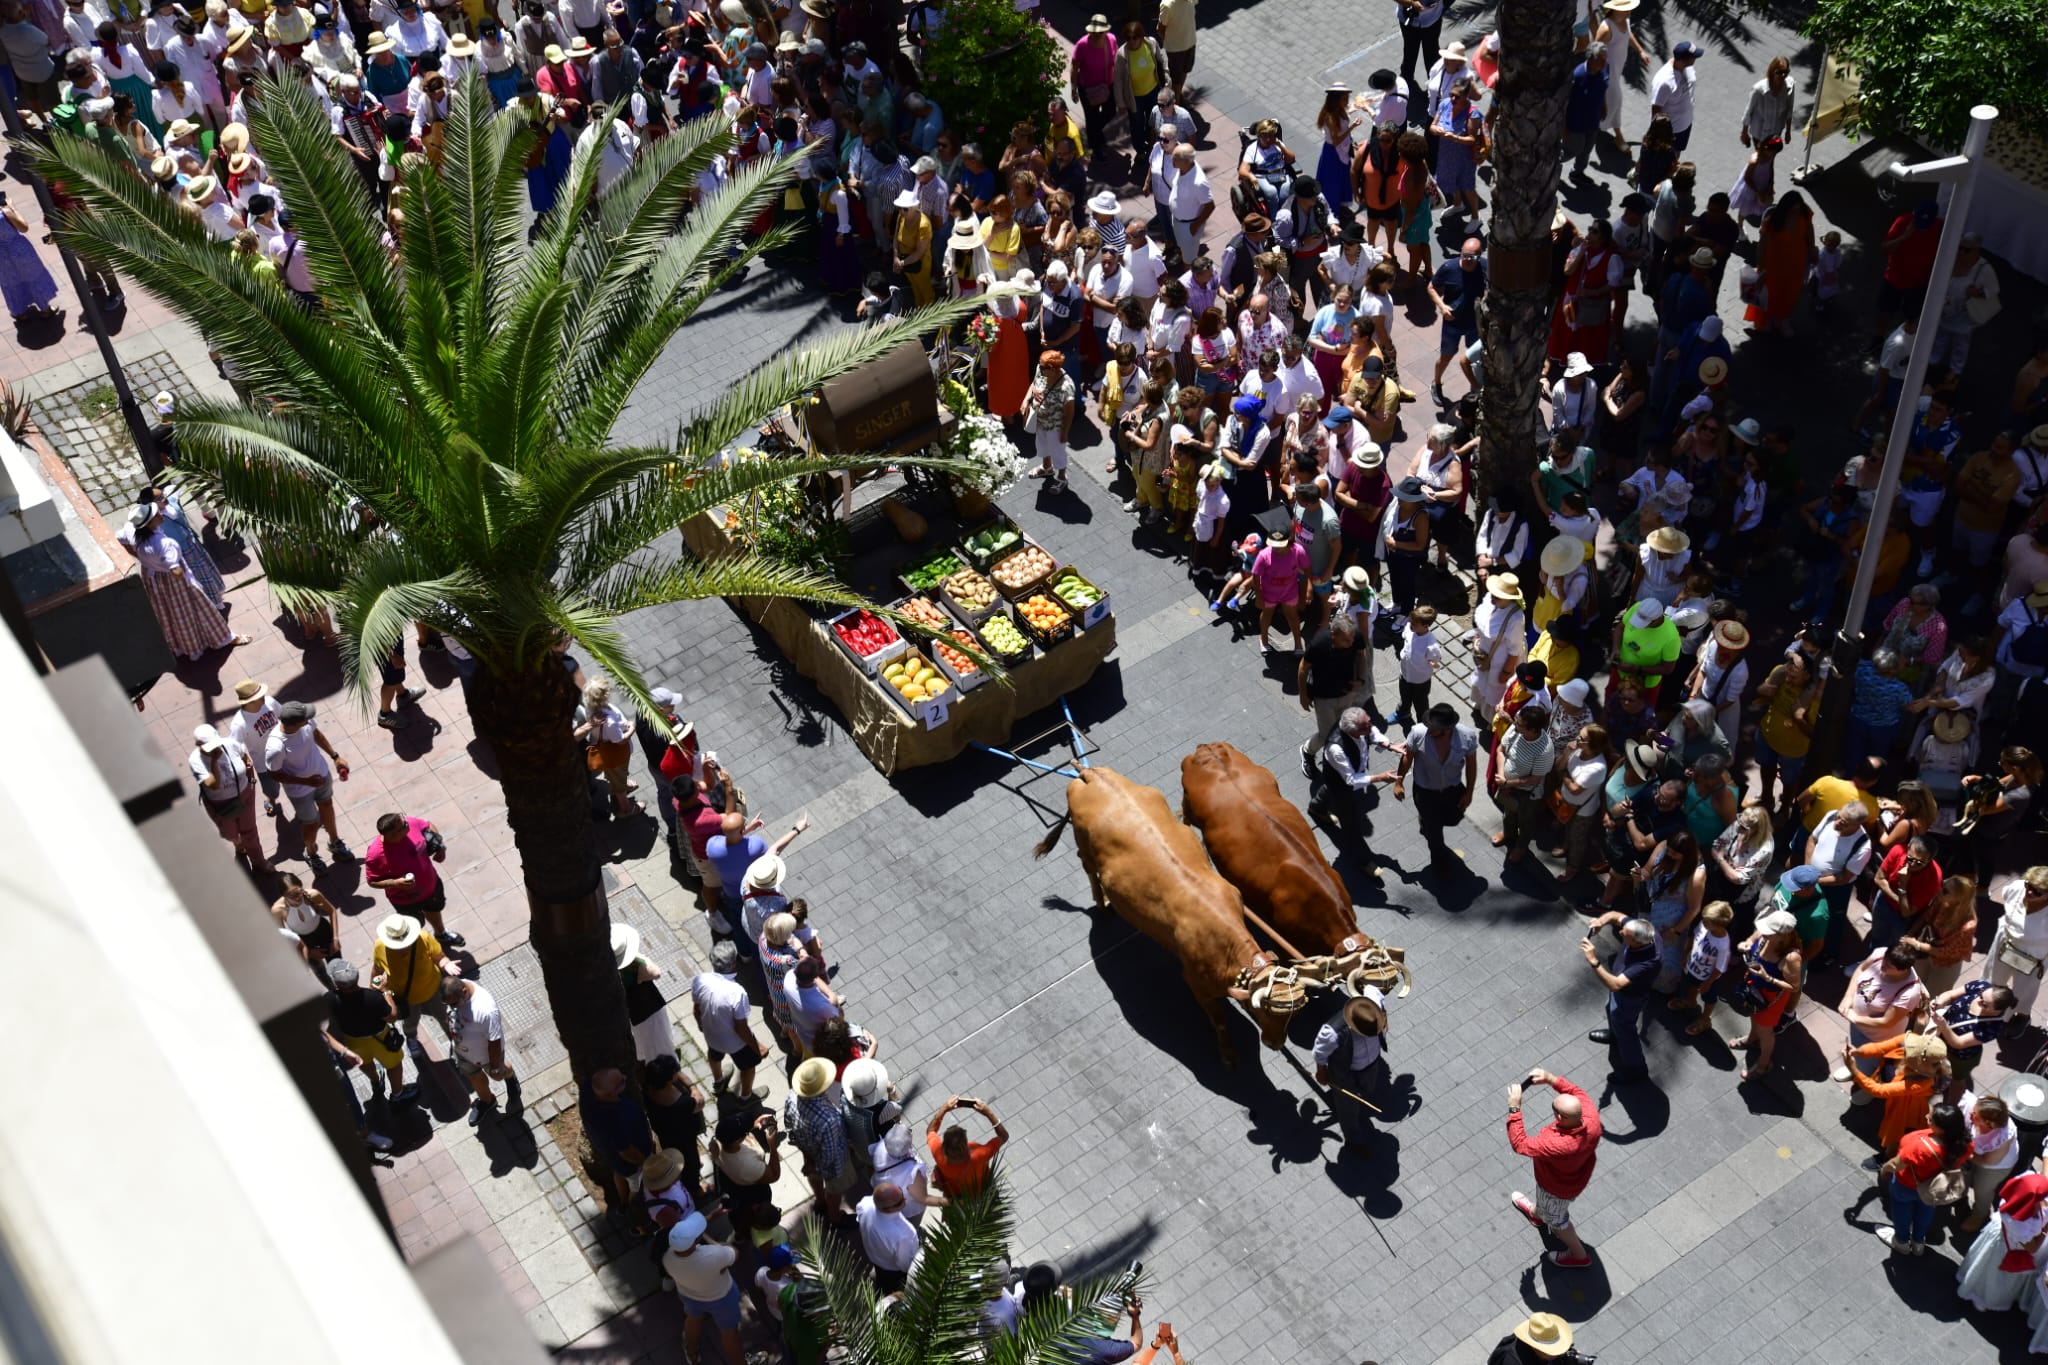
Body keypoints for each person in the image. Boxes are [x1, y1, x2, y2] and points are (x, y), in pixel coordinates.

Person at [1506, 1068, 1602, 1268]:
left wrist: (1515, 1108)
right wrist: (1551, 1079)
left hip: (1556, 1189)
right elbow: (1576, 1092)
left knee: (1558, 1223)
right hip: (1575, 1177)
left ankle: (1578, 1256)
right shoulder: (1591, 1116)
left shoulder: (1557, 1144)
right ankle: (1537, 1215)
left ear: (1559, 1117)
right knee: (1546, 1207)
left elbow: (1520, 1144)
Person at [263, 700, 354, 870]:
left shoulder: (306, 722)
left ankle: (335, 842)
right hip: (300, 791)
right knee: (311, 824)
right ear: (294, 724)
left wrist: (335, 757)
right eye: (305, 718)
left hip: (322, 775)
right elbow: (274, 774)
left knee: (327, 806)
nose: (309, 719)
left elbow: (316, 734)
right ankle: (311, 853)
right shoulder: (276, 746)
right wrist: (306, 781)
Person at [1392, 702, 1480, 871]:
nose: (1428, 729)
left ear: (1446, 729)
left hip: (1452, 789)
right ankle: (1439, 863)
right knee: (1434, 832)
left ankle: (1426, 821)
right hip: (1425, 792)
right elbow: (1407, 757)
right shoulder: (1418, 732)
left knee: (1454, 818)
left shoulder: (1467, 737)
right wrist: (1398, 782)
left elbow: (1471, 765)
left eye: (1433, 727)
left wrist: (1469, 792)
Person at [1876, 1102, 1970, 1254]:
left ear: (1941, 1129)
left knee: (1901, 1211)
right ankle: (1918, 1242)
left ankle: (1901, 1242)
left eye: (1930, 1119)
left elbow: (1895, 1165)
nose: (1926, 1116)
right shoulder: (1965, 1144)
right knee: (1926, 1210)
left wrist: (1884, 1170)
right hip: (1935, 1188)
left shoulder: (1920, 1148)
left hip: (1907, 1185)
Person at [364, 810, 462, 947]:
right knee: (413, 928)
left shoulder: (409, 823)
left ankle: (441, 934)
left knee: (434, 910)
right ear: (393, 835)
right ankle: (419, 949)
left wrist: (439, 846)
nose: (407, 824)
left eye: (404, 821)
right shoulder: (375, 855)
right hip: (406, 900)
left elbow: (427, 825)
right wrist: (395, 883)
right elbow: (372, 881)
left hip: (431, 886)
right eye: (404, 826)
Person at [1579, 916, 1659, 1080]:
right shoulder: (1642, 932)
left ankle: (1636, 1070)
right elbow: (1617, 916)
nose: (1620, 932)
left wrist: (1593, 960)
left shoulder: (1646, 962)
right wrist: (1601, 922)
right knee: (1611, 1010)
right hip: (1620, 993)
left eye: (1625, 934)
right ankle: (1615, 1035)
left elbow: (1615, 985)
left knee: (1626, 1030)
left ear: (1637, 942)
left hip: (1629, 998)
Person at [1957, 1169, 2048, 1311]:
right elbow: (2032, 1248)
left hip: (2004, 1239)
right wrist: (2045, 1230)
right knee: (1994, 1279)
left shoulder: (2023, 1188)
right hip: (2007, 1250)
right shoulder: (2019, 1224)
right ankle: (1984, 1298)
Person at [1312, 989, 1390, 1153]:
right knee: (1347, 1109)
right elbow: (1320, 1052)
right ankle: (1353, 1139)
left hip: (1371, 1064)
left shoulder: (1372, 1001)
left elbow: (1374, 990)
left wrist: (1384, 1015)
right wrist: (1321, 1071)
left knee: (1367, 1087)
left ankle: (1352, 1097)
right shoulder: (1333, 1032)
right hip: (1345, 1073)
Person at [664, 1211, 745, 1365]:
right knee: (729, 1333)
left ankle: (692, 1353)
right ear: (694, 1241)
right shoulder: (713, 1255)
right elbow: (735, 1253)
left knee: (694, 1318)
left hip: (690, 1296)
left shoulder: (668, 1257)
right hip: (722, 1298)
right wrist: (718, 1244)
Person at [691, 938, 768, 1100]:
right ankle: (746, 1097)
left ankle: (718, 1081)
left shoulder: (700, 980)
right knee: (748, 1067)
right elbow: (741, 1029)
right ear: (733, 964)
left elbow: (697, 1010)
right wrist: (757, 1047)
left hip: (711, 1036)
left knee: (714, 1056)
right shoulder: (737, 992)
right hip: (735, 1044)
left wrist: (701, 1026)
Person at [441, 974, 515, 1126]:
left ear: (464, 992)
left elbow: (494, 1041)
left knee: (497, 1076)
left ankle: (509, 1074)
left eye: (454, 1004)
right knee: (474, 1077)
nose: (452, 1007)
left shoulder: (486, 1010)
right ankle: (488, 1101)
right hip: (463, 1053)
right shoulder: (455, 992)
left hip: (487, 1056)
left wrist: (495, 1067)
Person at [1989, 866, 2048, 1028]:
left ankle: (2022, 1016)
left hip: (2033, 956)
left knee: (2023, 991)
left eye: (2038, 892)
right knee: (1994, 979)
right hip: (2005, 945)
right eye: (2029, 885)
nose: (2030, 892)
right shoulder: (2017, 888)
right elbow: (2006, 894)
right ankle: (1992, 1006)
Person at [1494, 704, 1553, 862]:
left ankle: (1521, 846)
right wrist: (1502, 776)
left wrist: (1508, 783)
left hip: (1527, 793)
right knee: (1508, 814)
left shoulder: (1544, 750)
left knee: (1525, 821)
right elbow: (1501, 750)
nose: (1514, 724)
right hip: (1507, 784)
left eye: (1519, 723)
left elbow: (1535, 778)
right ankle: (1508, 834)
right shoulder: (1516, 730)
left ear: (1532, 730)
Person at [927, 1095, 1008, 1196]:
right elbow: (1004, 1136)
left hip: (955, 1195)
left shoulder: (938, 1154)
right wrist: (988, 1113)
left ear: (944, 1147)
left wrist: (943, 1109)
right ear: (966, 1147)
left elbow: (930, 1131)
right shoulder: (979, 1155)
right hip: (980, 1192)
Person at [856, 1182, 920, 1293]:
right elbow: (905, 1264)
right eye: (900, 1201)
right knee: (890, 1288)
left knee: (881, 1279)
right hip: (891, 1270)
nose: (905, 1198)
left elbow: (859, 1219)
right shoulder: (905, 1233)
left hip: (874, 1257)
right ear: (888, 1209)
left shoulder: (865, 1203)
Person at [1489, 1312, 1596, 1365]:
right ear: (1536, 1347)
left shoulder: (1536, 1338)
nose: (1558, 1354)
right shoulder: (1512, 1361)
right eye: (1554, 1350)